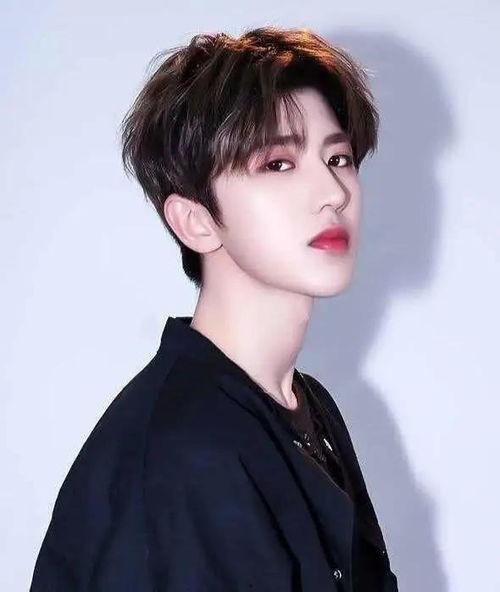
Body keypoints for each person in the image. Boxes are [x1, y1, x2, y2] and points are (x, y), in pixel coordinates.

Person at [30, 26, 399, 591]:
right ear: (195, 221)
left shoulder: (307, 408)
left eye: (339, 157)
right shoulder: (186, 446)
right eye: (278, 163)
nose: (334, 192)